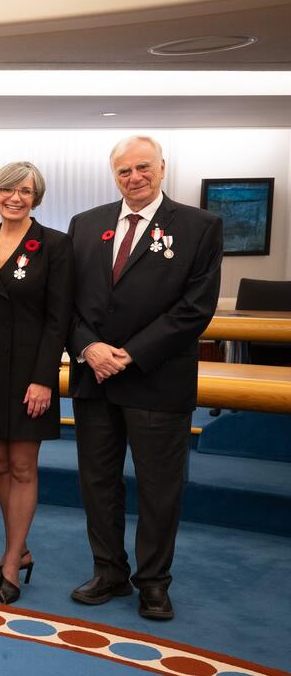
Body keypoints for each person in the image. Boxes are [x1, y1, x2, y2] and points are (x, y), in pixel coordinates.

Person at [67, 135, 222, 621]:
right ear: (113, 175)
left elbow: (194, 310)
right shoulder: (85, 224)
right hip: (95, 378)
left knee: (159, 489)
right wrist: (88, 347)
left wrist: (130, 354)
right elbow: (66, 302)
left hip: (157, 379)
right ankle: (108, 571)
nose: (133, 177)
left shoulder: (200, 226)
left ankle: (153, 582)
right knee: (98, 484)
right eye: (123, 171)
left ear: (162, 167)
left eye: (142, 168)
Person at [0, 162, 72, 604]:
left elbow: (59, 317)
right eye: (7, 189)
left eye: (25, 190)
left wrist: (45, 378)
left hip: (32, 377)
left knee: (24, 467)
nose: (15, 197)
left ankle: (10, 561)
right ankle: (19, 550)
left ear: (36, 197)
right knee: (1, 466)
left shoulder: (56, 246)